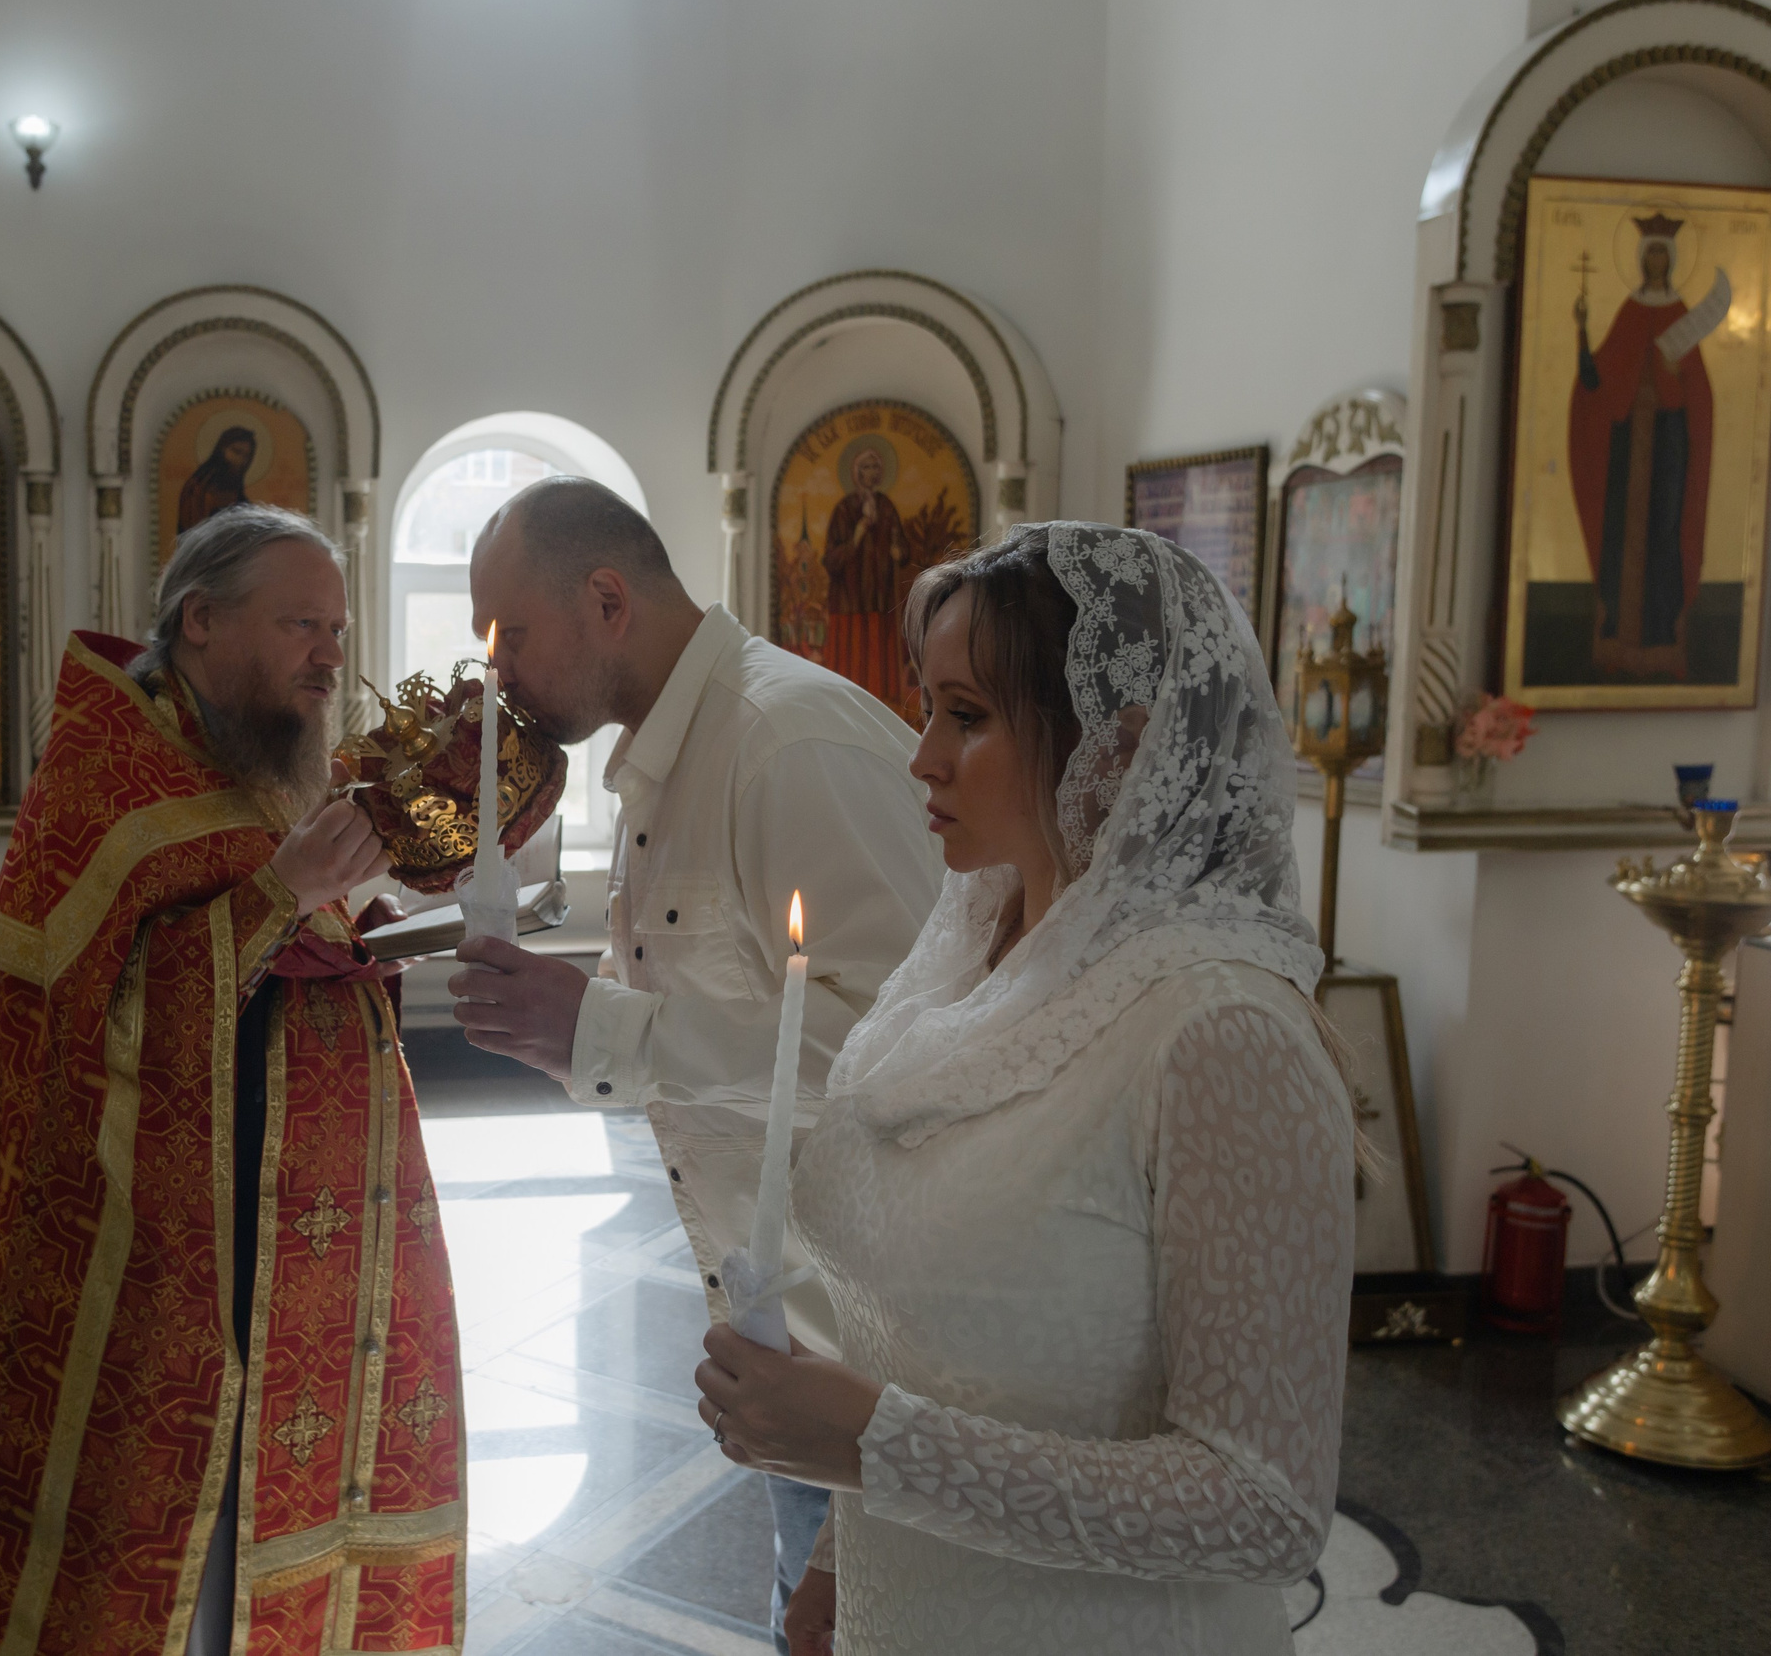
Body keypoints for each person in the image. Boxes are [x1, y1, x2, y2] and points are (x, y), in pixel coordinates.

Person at [695, 522, 1356, 1656]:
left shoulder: (1217, 1032)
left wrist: (874, 1448)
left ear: (1119, 745)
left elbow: (1265, 1507)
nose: (922, 757)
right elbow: (905, 1347)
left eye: (968, 716)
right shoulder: (963, 962)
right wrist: (837, 1556)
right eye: (929, 708)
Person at [0, 507, 466, 1656]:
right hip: (158, 1254)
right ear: (200, 618)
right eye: (301, 625)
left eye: (338, 630)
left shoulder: (261, 762)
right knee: (157, 1537)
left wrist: (351, 926)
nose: (330, 657)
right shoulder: (108, 769)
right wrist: (279, 898)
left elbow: (283, 929)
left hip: (302, 1224)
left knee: (273, 1499)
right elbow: (87, 1022)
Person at [449, 477, 940, 1649]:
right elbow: (725, 1000)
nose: (496, 675)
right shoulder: (671, 754)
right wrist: (573, 1029)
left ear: (606, 599)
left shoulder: (786, 743)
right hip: (791, 1323)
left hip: (889, 1344)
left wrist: (603, 1032)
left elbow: (910, 1053)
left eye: (510, 636)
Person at [1569, 213, 1726, 681]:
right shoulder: (1631, 310)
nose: (1656, 259)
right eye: (1651, 251)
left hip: (1668, 442)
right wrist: (1581, 332)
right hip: (1626, 442)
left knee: (1664, 532)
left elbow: (1699, 392)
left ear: (1671, 259)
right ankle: (1616, 636)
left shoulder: (1680, 314)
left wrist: (1677, 377)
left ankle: (1662, 637)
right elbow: (1597, 379)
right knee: (1621, 530)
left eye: (1662, 252)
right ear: (1642, 259)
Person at [820, 446, 908, 708]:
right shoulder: (844, 509)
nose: (871, 473)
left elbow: (902, 547)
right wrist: (856, 536)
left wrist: (899, 551)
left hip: (881, 597)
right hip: (849, 598)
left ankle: (885, 703)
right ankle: (845, 704)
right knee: (852, 649)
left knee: (880, 649)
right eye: (866, 467)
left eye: (875, 467)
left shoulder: (886, 507)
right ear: (856, 473)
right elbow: (831, 559)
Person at [180, 424, 259, 535]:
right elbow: (195, 526)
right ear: (222, 448)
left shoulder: (233, 483)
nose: (241, 460)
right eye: (236, 452)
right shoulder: (201, 483)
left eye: (246, 456)